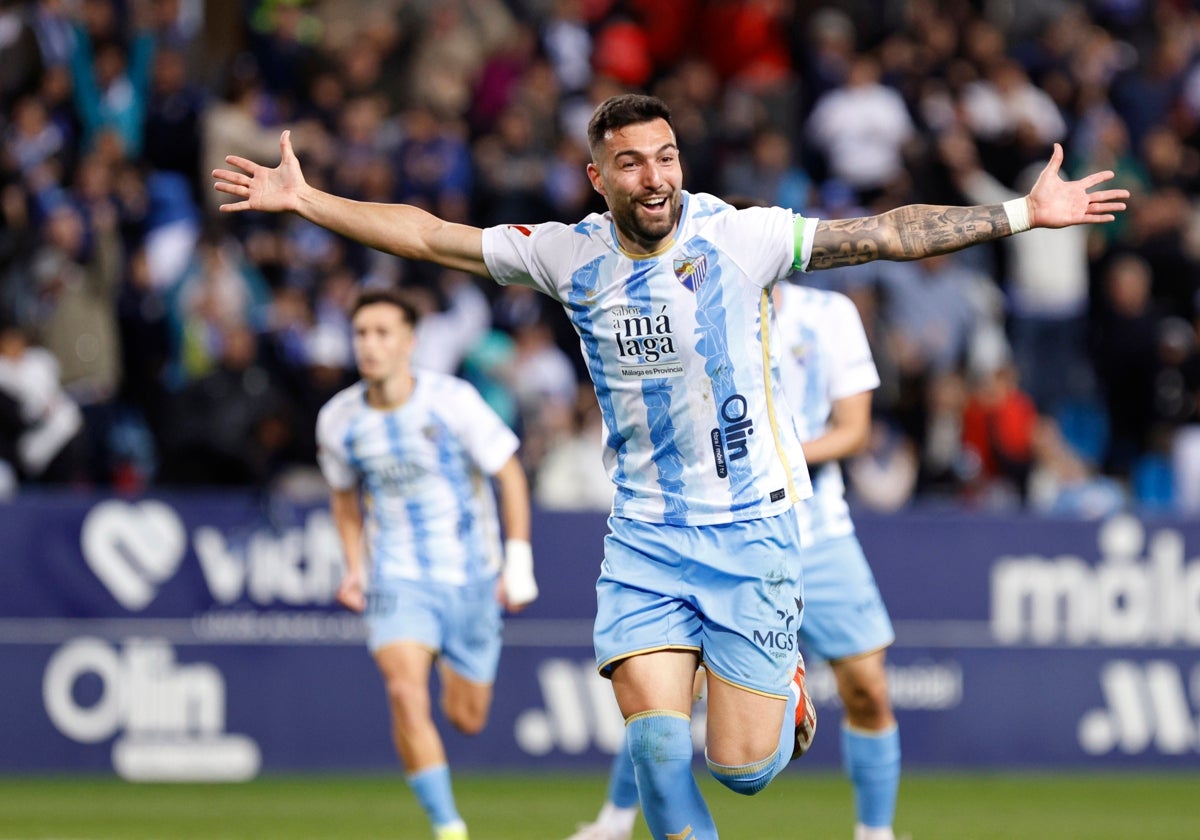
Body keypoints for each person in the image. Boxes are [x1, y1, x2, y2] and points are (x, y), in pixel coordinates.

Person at [214, 94, 1127, 839]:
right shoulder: (564, 253)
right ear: (598, 176)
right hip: (646, 535)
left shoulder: (742, 237)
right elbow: (425, 235)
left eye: (667, 157)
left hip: (755, 529)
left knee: (740, 772)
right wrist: (308, 201)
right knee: (654, 747)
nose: (655, 178)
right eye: (633, 163)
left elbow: (887, 233)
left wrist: (1020, 214)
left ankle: (787, 700)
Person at [566, 284, 902, 840]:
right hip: (703, 533)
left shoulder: (828, 313)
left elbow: (855, 429)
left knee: (866, 686)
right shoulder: (682, 311)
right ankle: (615, 819)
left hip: (815, 532)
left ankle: (875, 832)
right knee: (664, 696)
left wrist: (769, 458)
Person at [313, 288, 539, 840]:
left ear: (410, 342)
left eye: (382, 332)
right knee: (403, 692)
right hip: (397, 578)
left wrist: (518, 561)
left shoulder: (452, 400)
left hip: (470, 577)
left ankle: (450, 668)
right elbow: (344, 496)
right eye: (361, 333)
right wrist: (353, 565)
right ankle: (448, 827)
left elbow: (508, 474)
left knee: (467, 717)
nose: (369, 344)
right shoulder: (337, 419)